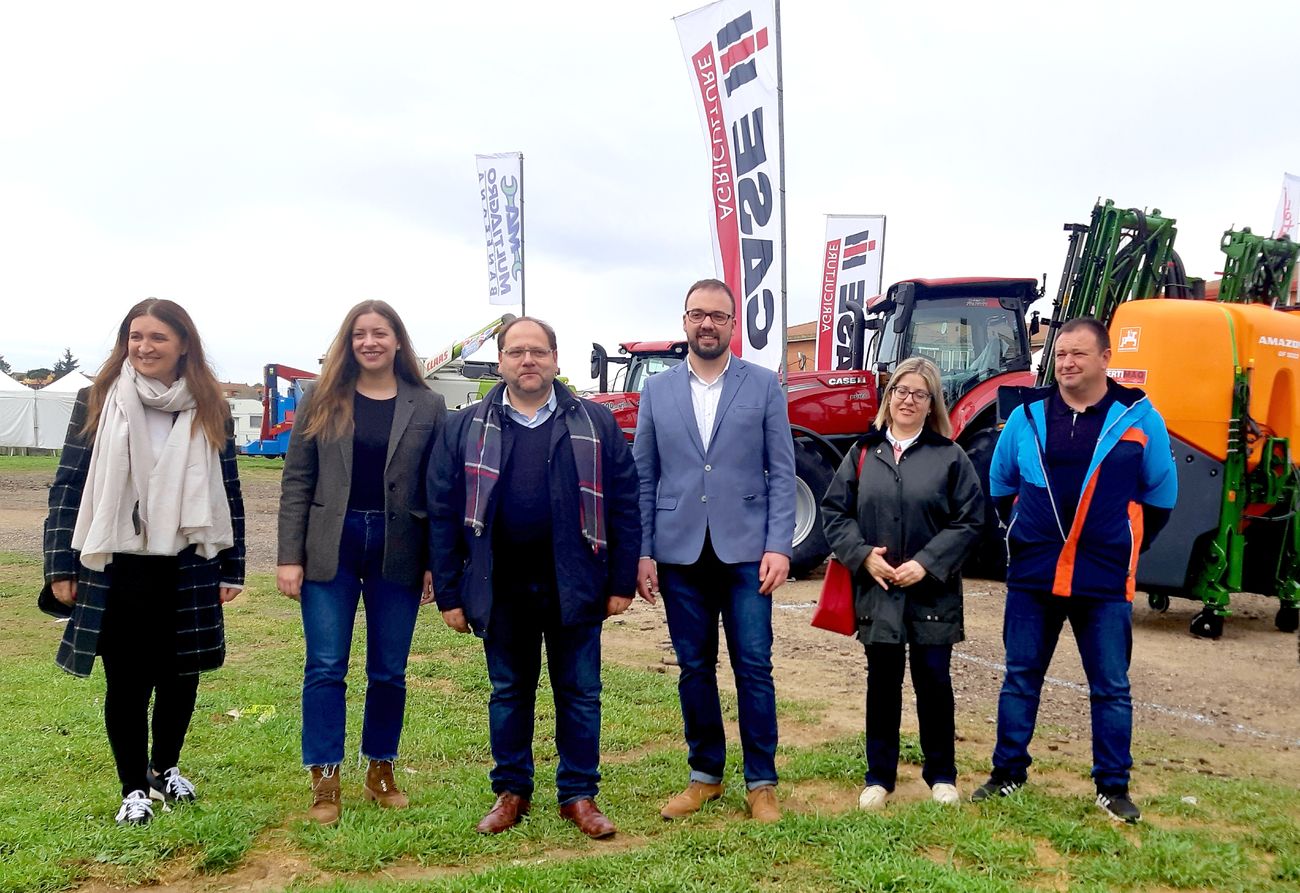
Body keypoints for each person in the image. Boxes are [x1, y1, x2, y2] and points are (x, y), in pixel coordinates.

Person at [427, 316, 640, 839]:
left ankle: (579, 795)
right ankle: (511, 792)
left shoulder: (595, 422)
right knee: (508, 693)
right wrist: (450, 593)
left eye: (538, 351)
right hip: (500, 587)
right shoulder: (465, 427)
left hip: (575, 584)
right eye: (517, 351)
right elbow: (442, 511)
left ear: (555, 359)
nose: (528, 360)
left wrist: (621, 582)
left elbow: (625, 503)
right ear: (500, 361)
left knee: (580, 694)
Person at [43, 298, 245, 827]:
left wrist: (233, 566)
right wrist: (59, 565)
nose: (144, 347)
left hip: (189, 560)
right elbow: (68, 485)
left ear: (183, 345)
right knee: (127, 681)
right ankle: (133, 787)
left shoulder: (210, 405)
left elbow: (228, 489)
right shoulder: (96, 399)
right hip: (117, 562)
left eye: (157, 337)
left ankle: (164, 768)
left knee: (182, 676)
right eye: (136, 336)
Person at [974, 317, 1177, 823]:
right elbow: (1000, 485)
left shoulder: (1140, 417)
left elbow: (1161, 494)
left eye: (1078, 354)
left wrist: (1124, 543)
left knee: (1111, 687)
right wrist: (1026, 532)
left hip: (1103, 577)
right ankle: (1007, 774)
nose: (1067, 363)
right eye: (1061, 354)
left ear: (1105, 358)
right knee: (1020, 678)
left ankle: (1113, 787)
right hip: (1034, 574)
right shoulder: (1026, 416)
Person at [276, 300, 446, 825]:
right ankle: (325, 776)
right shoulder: (321, 397)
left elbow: (437, 488)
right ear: (348, 343)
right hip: (332, 545)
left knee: (389, 670)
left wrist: (435, 560)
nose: (369, 342)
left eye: (380, 333)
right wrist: (289, 556)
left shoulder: (428, 404)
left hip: (400, 546)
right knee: (326, 665)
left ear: (398, 340)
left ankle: (380, 770)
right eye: (359, 334)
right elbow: (297, 479)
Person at [633, 278, 796, 823]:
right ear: (685, 321)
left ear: (732, 324)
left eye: (718, 316)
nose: (707, 324)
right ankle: (705, 775)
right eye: (697, 314)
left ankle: (761, 782)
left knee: (754, 666)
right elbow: (644, 475)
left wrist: (779, 546)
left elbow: (782, 472)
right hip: (679, 554)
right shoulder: (657, 391)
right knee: (694, 667)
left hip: (748, 553)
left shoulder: (763, 384)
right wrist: (643, 551)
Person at [820, 357, 984, 810]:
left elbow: (971, 521)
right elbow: (835, 513)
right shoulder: (862, 454)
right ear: (889, 397)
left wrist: (927, 563)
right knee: (882, 683)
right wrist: (861, 555)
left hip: (932, 593)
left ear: (932, 404)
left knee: (934, 682)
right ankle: (879, 777)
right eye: (901, 391)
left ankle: (942, 775)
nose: (908, 400)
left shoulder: (950, 457)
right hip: (879, 591)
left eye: (919, 394)